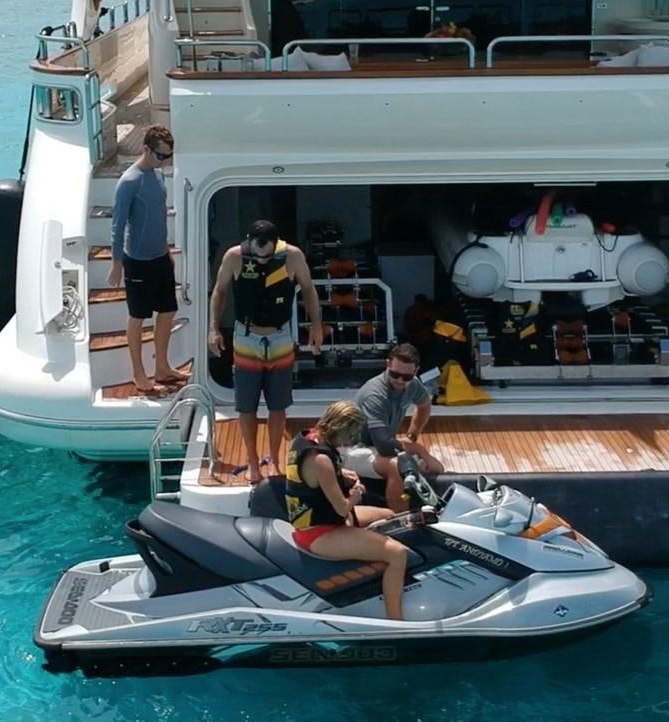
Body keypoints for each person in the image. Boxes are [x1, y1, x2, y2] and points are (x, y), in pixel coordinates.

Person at [208, 220, 324, 483]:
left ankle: (273, 460)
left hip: (280, 337)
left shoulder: (292, 256)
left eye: (267, 256)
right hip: (246, 338)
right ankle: (252, 462)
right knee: (246, 406)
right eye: (258, 255)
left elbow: (308, 289)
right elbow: (220, 291)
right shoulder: (234, 257)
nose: (262, 261)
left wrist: (316, 326)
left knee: (278, 405)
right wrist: (213, 328)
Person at [286, 400, 409, 620]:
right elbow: (342, 508)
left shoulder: (304, 437)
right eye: (351, 435)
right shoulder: (321, 460)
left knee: (391, 517)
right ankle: (396, 623)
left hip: (326, 518)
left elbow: (311, 475)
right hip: (319, 533)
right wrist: (356, 494)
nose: (349, 441)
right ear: (343, 429)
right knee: (398, 554)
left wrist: (341, 473)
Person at [107, 126, 181, 394]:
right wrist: (117, 263)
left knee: (168, 310)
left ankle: (162, 367)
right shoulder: (129, 181)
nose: (164, 161)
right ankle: (139, 373)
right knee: (138, 316)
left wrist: (166, 250)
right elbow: (118, 225)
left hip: (160, 256)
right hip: (137, 261)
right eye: (160, 155)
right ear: (146, 149)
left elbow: (158, 217)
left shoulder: (158, 175)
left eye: (168, 156)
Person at [344, 343, 446, 511]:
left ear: (415, 372)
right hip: (352, 449)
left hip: (378, 446)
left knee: (435, 467)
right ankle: (400, 517)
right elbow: (384, 446)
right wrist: (419, 450)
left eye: (406, 377)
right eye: (395, 374)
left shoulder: (412, 384)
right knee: (398, 465)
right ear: (387, 365)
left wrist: (412, 436)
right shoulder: (374, 395)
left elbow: (424, 405)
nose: (400, 380)